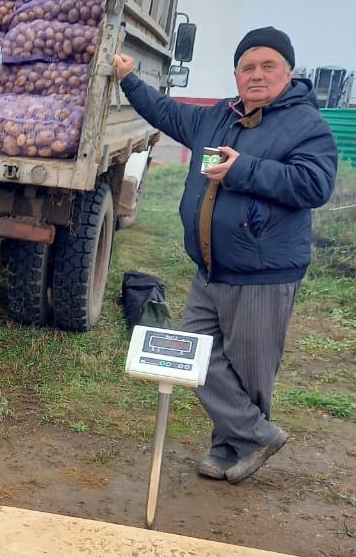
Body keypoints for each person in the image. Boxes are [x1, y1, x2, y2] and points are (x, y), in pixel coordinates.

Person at [112, 27, 338, 484]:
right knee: (196, 356)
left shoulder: (305, 124)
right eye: (247, 67)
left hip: (263, 272)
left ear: (288, 72)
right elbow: (166, 111)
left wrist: (244, 169)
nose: (256, 75)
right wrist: (129, 80)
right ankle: (253, 436)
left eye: (267, 66)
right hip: (210, 269)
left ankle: (230, 445)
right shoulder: (215, 118)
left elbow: (315, 185)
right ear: (236, 74)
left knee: (250, 371)